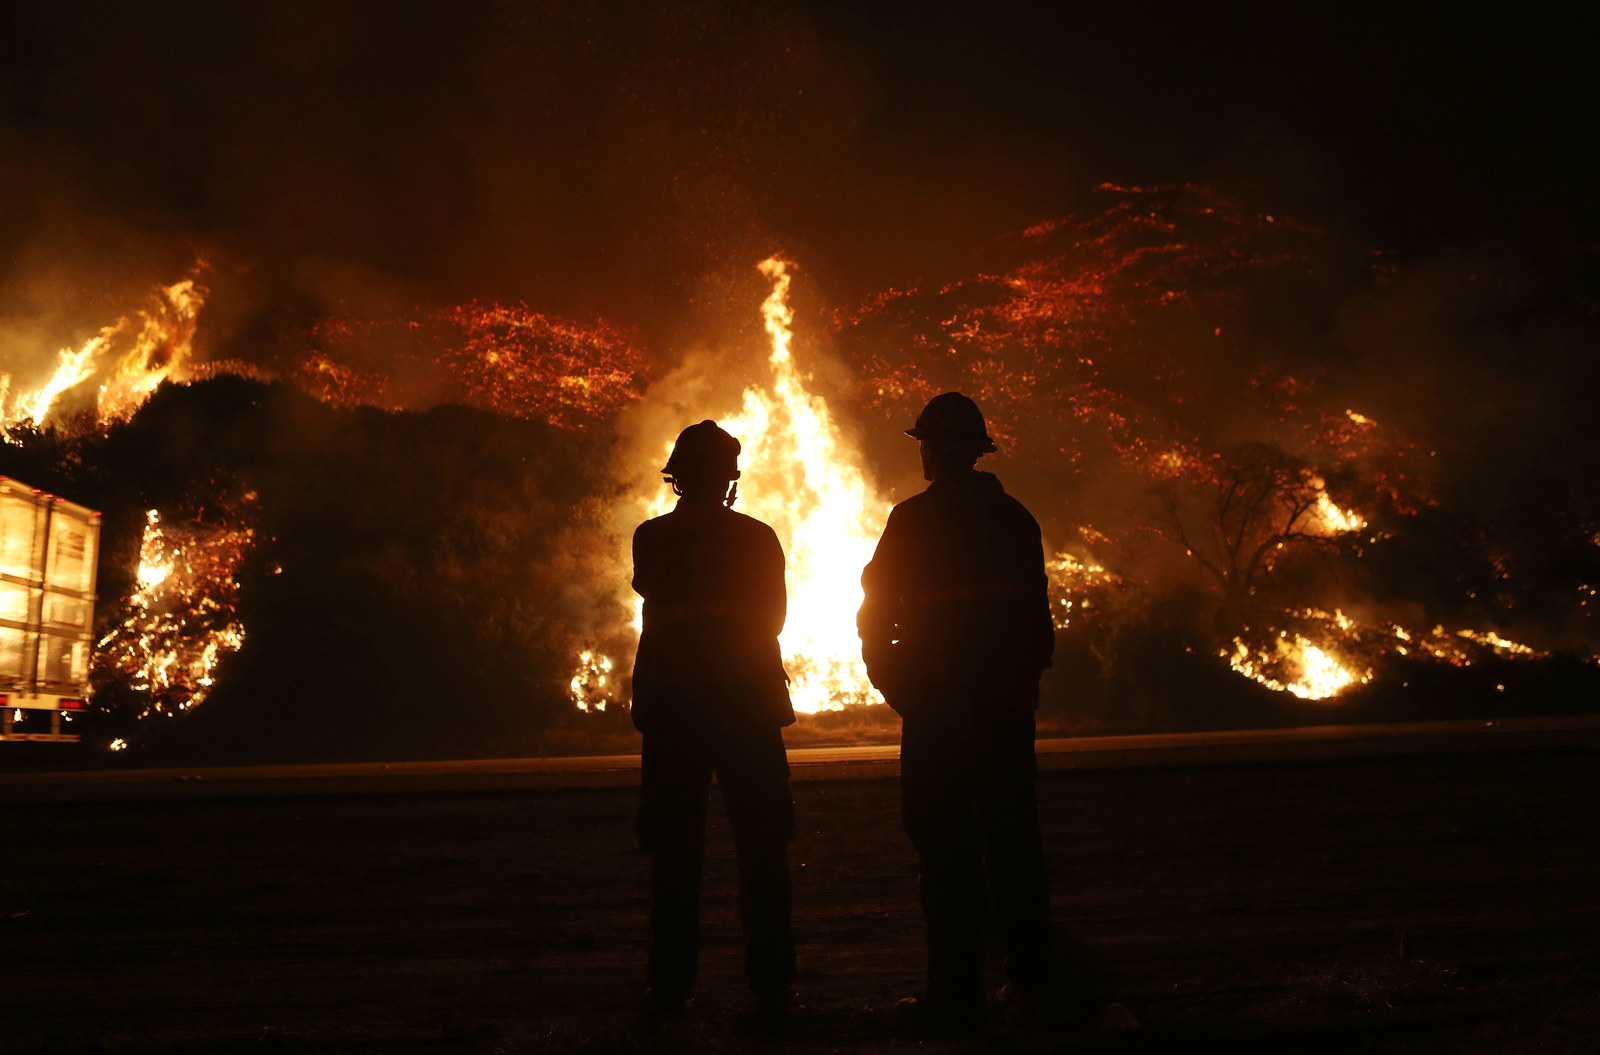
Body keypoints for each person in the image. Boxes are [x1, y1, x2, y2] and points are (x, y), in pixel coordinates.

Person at [857, 392, 1056, 1033]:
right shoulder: (1017, 520)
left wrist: (900, 687)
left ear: (932, 453)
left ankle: (955, 995)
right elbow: (1037, 626)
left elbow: (874, 615)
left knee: (944, 850)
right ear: (977, 452)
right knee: (1014, 846)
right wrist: (1017, 687)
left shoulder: (912, 521)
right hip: (1001, 709)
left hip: (939, 711)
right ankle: (1032, 987)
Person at [630, 419, 797, 1028]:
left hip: (676, 708)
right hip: (746, 706)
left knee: (676, 850)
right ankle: (773, 986)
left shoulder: (651, 537)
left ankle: (670, 989)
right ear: (730, 477)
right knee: (763, 845)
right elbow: (773, 618)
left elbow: (650, 590)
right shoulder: (758, 539)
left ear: (677, 476)